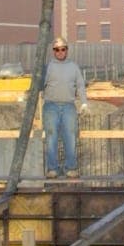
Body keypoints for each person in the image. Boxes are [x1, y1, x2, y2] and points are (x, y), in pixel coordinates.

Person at [42, 35, 88, 177]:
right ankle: (52, 169)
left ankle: (71, 168)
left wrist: (84, 102)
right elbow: (38, 86)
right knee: (51, 137)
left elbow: (80, 85)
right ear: (53, 51)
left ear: (67, 50)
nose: (60, 52)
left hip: (69, 106)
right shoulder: (47, 67)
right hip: (51, 106)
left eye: (63, 49)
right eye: (57, 50)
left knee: (70, 136)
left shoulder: (73, 67)